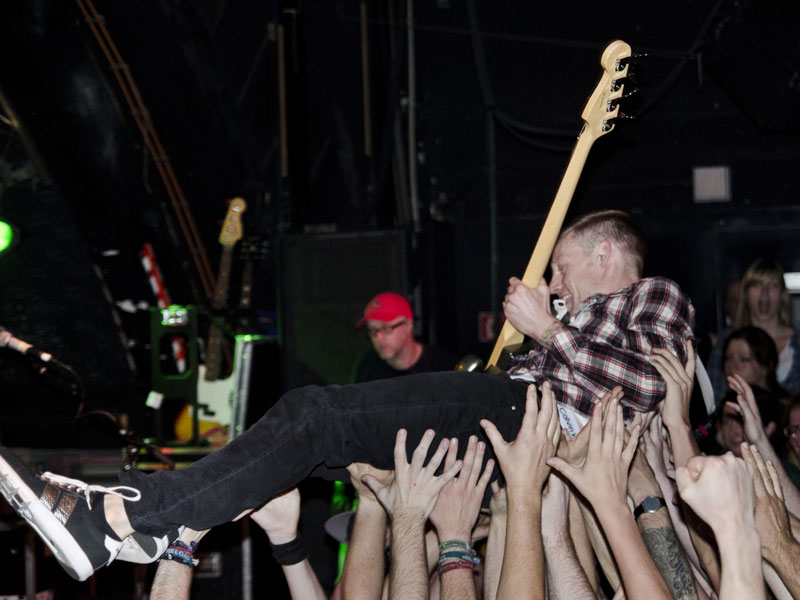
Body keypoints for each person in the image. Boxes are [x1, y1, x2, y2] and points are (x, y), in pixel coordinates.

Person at [0, 209, 695, 582]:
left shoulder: (651, 296)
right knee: (304, 438)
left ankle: (121, 521)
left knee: (314, 414)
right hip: (507, 426)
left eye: (565, 268)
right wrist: (547, 331)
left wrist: (550, 330)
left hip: (524, 420)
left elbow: (651, 389)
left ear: (605, 256)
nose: (557, 283)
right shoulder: (570, 323)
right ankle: (129, 522)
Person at [708, 259, 800, 404]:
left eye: (773, 285)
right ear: (745, 294)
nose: (765, 292)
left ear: (783, 294)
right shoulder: (727, 342)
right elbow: (714, 401)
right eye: (757, 285)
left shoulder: (797, 342)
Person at [350, 291, 456, 382]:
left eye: (386, 328)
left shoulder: (444, 367)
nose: (378, 337)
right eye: (372, 331)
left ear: (408, 324)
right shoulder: (368, 370)